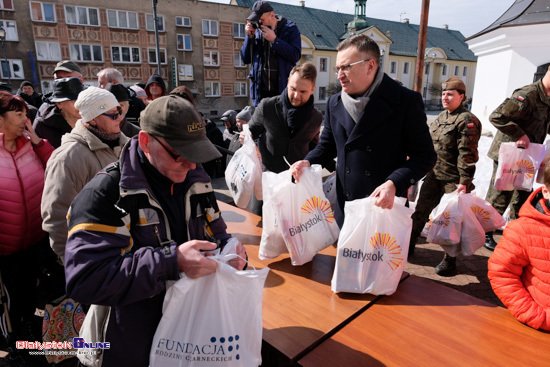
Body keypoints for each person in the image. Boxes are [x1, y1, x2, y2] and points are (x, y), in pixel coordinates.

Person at [64, 95, 247, 366]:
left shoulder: (197, 179)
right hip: (130, 344)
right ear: (146, 141)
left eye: (197, 155)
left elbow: (216, 232)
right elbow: (85, 279)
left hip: (187, 333)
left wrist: (229, 249)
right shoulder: (104, 194)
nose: (191, 165)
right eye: (179, 155)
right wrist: (171, 261)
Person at [290, 34, 436, 228]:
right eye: (338, 68)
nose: (339, 75)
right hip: (346, 206)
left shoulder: (405, 101)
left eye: (346, 67)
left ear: (370, 65)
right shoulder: (335, 102)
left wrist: (394, 183)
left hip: (383, 207)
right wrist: (307, 161)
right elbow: (327, 146)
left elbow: (425, 156)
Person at [42, 87, 128, 264]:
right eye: (112, 114)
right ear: (93, 119)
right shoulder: (67, 157)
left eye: (119, 110)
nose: (120, 118)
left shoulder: (127, 145)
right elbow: (56, 215)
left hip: (126, 251)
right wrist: (74, 261)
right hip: (93, 257)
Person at [0, 92, 54, 361]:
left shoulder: (30, 145)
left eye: (25, 113)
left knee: (33, 295)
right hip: (5, 246)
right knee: (12, 300)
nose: (26, 118)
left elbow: (55, 169)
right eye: (19, 114)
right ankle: (15, 345)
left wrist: (38, 142)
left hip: (35, 238)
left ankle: (29, 338)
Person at [409, 77, 481, 276]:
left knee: (451, 221)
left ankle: (450, 260)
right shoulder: (442, 117)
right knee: (420, 212)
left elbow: (468, 155)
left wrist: (464, 182)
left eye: (450, 94)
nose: (445, 97)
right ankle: (409, 245)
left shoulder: (467, 121)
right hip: (434, 174)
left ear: (462, 97)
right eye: (443, 94)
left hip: (454, 180)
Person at [484, 65, 550, 251]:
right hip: (510, 154)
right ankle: (485, 233)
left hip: (529, 156)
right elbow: (497, 116)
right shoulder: (528, 94)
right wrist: (519, 134)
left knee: (521, 195)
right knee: (500, 195)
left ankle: (514, 232)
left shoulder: (548, 98)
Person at [488, 162, 550, 331]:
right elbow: (501, 272)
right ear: (546, 191)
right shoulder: (523, 229)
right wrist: (536, 316)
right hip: (541, 327)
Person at [243, 63, 322, 174]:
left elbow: (314, 147)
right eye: (293, 89)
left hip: (298, 180)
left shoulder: (316, 117)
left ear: (312, 89)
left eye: (303, 91)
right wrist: (246, 136)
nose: (296, 96)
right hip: (269, 180)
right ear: (287, 83)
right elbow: (251, 131)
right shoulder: (267, 106)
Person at [240, 0, 301, 106]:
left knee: (281, 122)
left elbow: (295, 55)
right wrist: (249, 37)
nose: (259, 23)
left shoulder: (290, 29)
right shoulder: (257, 31)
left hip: (282, 91)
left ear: (272, 15)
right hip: (260, 93)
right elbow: (245, 59)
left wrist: (275, 40)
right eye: (257, 20)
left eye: (262, 19)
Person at [33, 77, 84, 148]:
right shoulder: (42, 126)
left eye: (82, 99)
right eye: (74, 100)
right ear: (59, 104)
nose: (79, 104)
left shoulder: (93, 121)